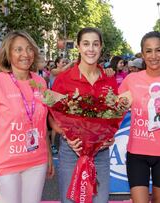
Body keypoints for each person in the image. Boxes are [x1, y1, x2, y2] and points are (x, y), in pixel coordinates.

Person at [0, 31, 54, 203]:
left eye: (29, 49)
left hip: (36, 162)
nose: (25, 54)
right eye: (18, 49)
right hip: (3, 166)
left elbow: (41, 125)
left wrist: (48, 155)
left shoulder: (40, 82)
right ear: (8, 53)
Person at [119, 31, 160, 203]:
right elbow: (117, 111)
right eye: (148, 51)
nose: (153, 56)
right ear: (142, 54)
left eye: (158, 50)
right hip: (137, 152)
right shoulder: (131, 80)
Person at [51, 27, 116, 203]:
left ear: (101, 47)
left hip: (100, 152)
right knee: (70, 200)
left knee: (100, 200)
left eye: (95, 44)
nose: (91, 49)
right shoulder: (63, 79)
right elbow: (52, 116)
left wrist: (111, 136)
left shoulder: (109, 80)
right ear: (79, 47)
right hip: (72, 151)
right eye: (86, 44)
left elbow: (113, 116)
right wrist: (66, 134)